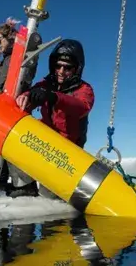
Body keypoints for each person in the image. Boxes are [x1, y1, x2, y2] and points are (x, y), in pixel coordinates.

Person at [12, 39, 95, 198]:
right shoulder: (46, 83)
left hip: (65, 153)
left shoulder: (85, 89)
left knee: (49, 198)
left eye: (67, 67)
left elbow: (81, 106)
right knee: (16, 140)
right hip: (44, 143)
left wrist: (54, 97)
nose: (61, 71)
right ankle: (25, 187)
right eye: (58, 66)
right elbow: (31, 94)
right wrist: (26, 96)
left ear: (77, 68)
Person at [0, 17, 37, 192]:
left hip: (16, 105)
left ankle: (25, 185)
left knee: (14, 144)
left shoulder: (19, 54)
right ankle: (0, 181)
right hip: (2, 104)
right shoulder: (5, 59)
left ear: (9, 38)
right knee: (1, 144)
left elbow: (25, 74)